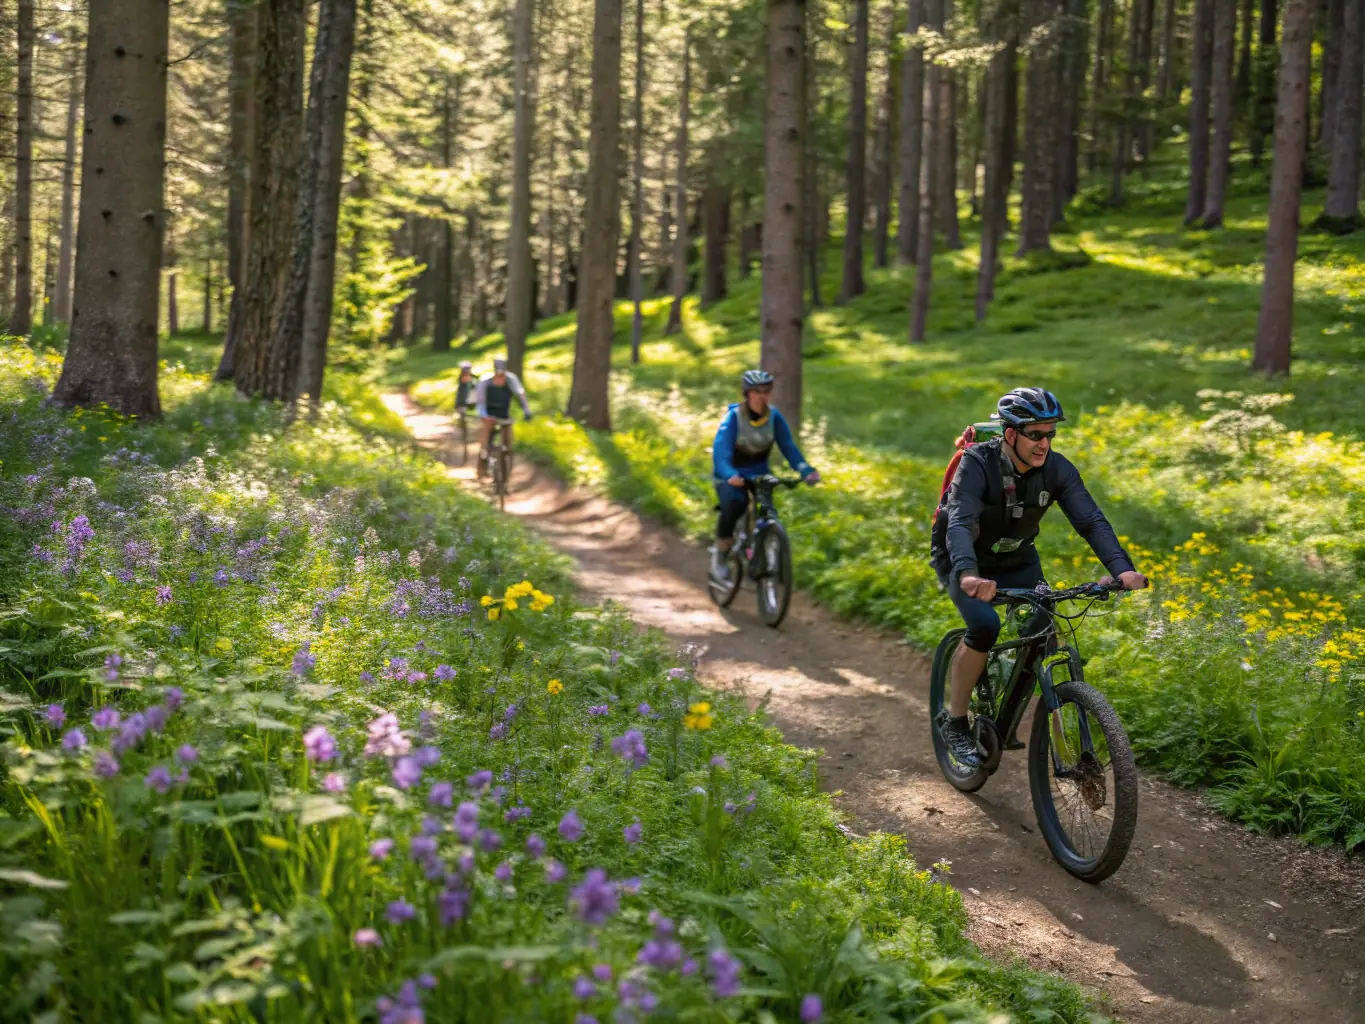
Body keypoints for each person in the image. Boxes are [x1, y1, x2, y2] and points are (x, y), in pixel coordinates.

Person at [936, 387, 1148, 767]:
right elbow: (961, 522)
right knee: (984, 626)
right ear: (1011, 434)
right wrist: (968, 574)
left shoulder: (1057, 469)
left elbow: (1090, 520)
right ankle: (954, 720)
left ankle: (1011, 710)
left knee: (1044, 626)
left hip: (1018, 558)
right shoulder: (978, 463)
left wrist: (1122, 569)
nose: (1044, 443)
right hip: (966, 561)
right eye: (1036, 434)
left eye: (1050, 434)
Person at [709, 369, 820, 581]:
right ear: (747, 393)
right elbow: (720, 453)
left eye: (766, 391)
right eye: (757, 391)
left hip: (759, 473)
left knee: (767, 512)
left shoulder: (774, 416)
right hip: (731, 475)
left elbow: (788, 446)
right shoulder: (734, 418)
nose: (762, 396)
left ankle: (763, 555)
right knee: (735, 504)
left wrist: (805, 469)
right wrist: (730, 474)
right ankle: (720, 558)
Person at [474, 358, 533, 475]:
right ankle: (483, 455)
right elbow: (480, 402)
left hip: (504, 414)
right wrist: (484, 415)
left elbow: (520, 394)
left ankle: (506, 465)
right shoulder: (485, 381)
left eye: (502, 376)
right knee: (486, 432)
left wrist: (526, 411)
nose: (500, 379)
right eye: (498, 376)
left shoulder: (511, 380)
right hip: (489, 413)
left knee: (508, 440)